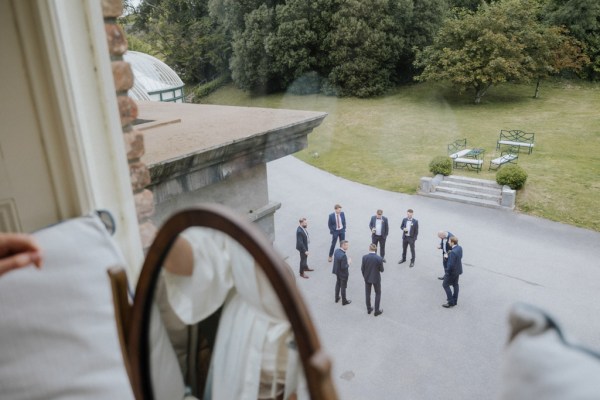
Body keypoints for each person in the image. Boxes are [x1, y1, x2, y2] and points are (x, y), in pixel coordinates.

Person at [361, 243, 384, 316]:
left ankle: (369, 309)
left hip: (367, 278)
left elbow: (362, 269)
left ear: (369, 248)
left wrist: (365, 276)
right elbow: (382, 270)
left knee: (367, 293)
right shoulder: (379, 258)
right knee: (378, 293)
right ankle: (376, 311)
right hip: (376, 279)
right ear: (376, 249)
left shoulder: (364, 257)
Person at [442, 236, 463, 308]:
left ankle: (450, 301)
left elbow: (450, 265)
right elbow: (459, 257)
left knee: (445, 285)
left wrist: (446, 258)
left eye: (449, 241)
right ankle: (455, 300)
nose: (448, 242)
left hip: (451, 272)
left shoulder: (453, 252)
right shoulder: (459, 248)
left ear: (452, 242)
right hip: (458, 270)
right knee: (455, 284)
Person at [332, 240, 351, 305]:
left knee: (338, 284)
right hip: (343, 273)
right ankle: (344, 301)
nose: (348, 246)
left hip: (337, 272)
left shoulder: (336, 250)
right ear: (343, 245)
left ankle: (336, 297)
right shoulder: (343, 256)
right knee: (343, 287)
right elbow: (344, 267)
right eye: (346, 245)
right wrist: (348, 263)